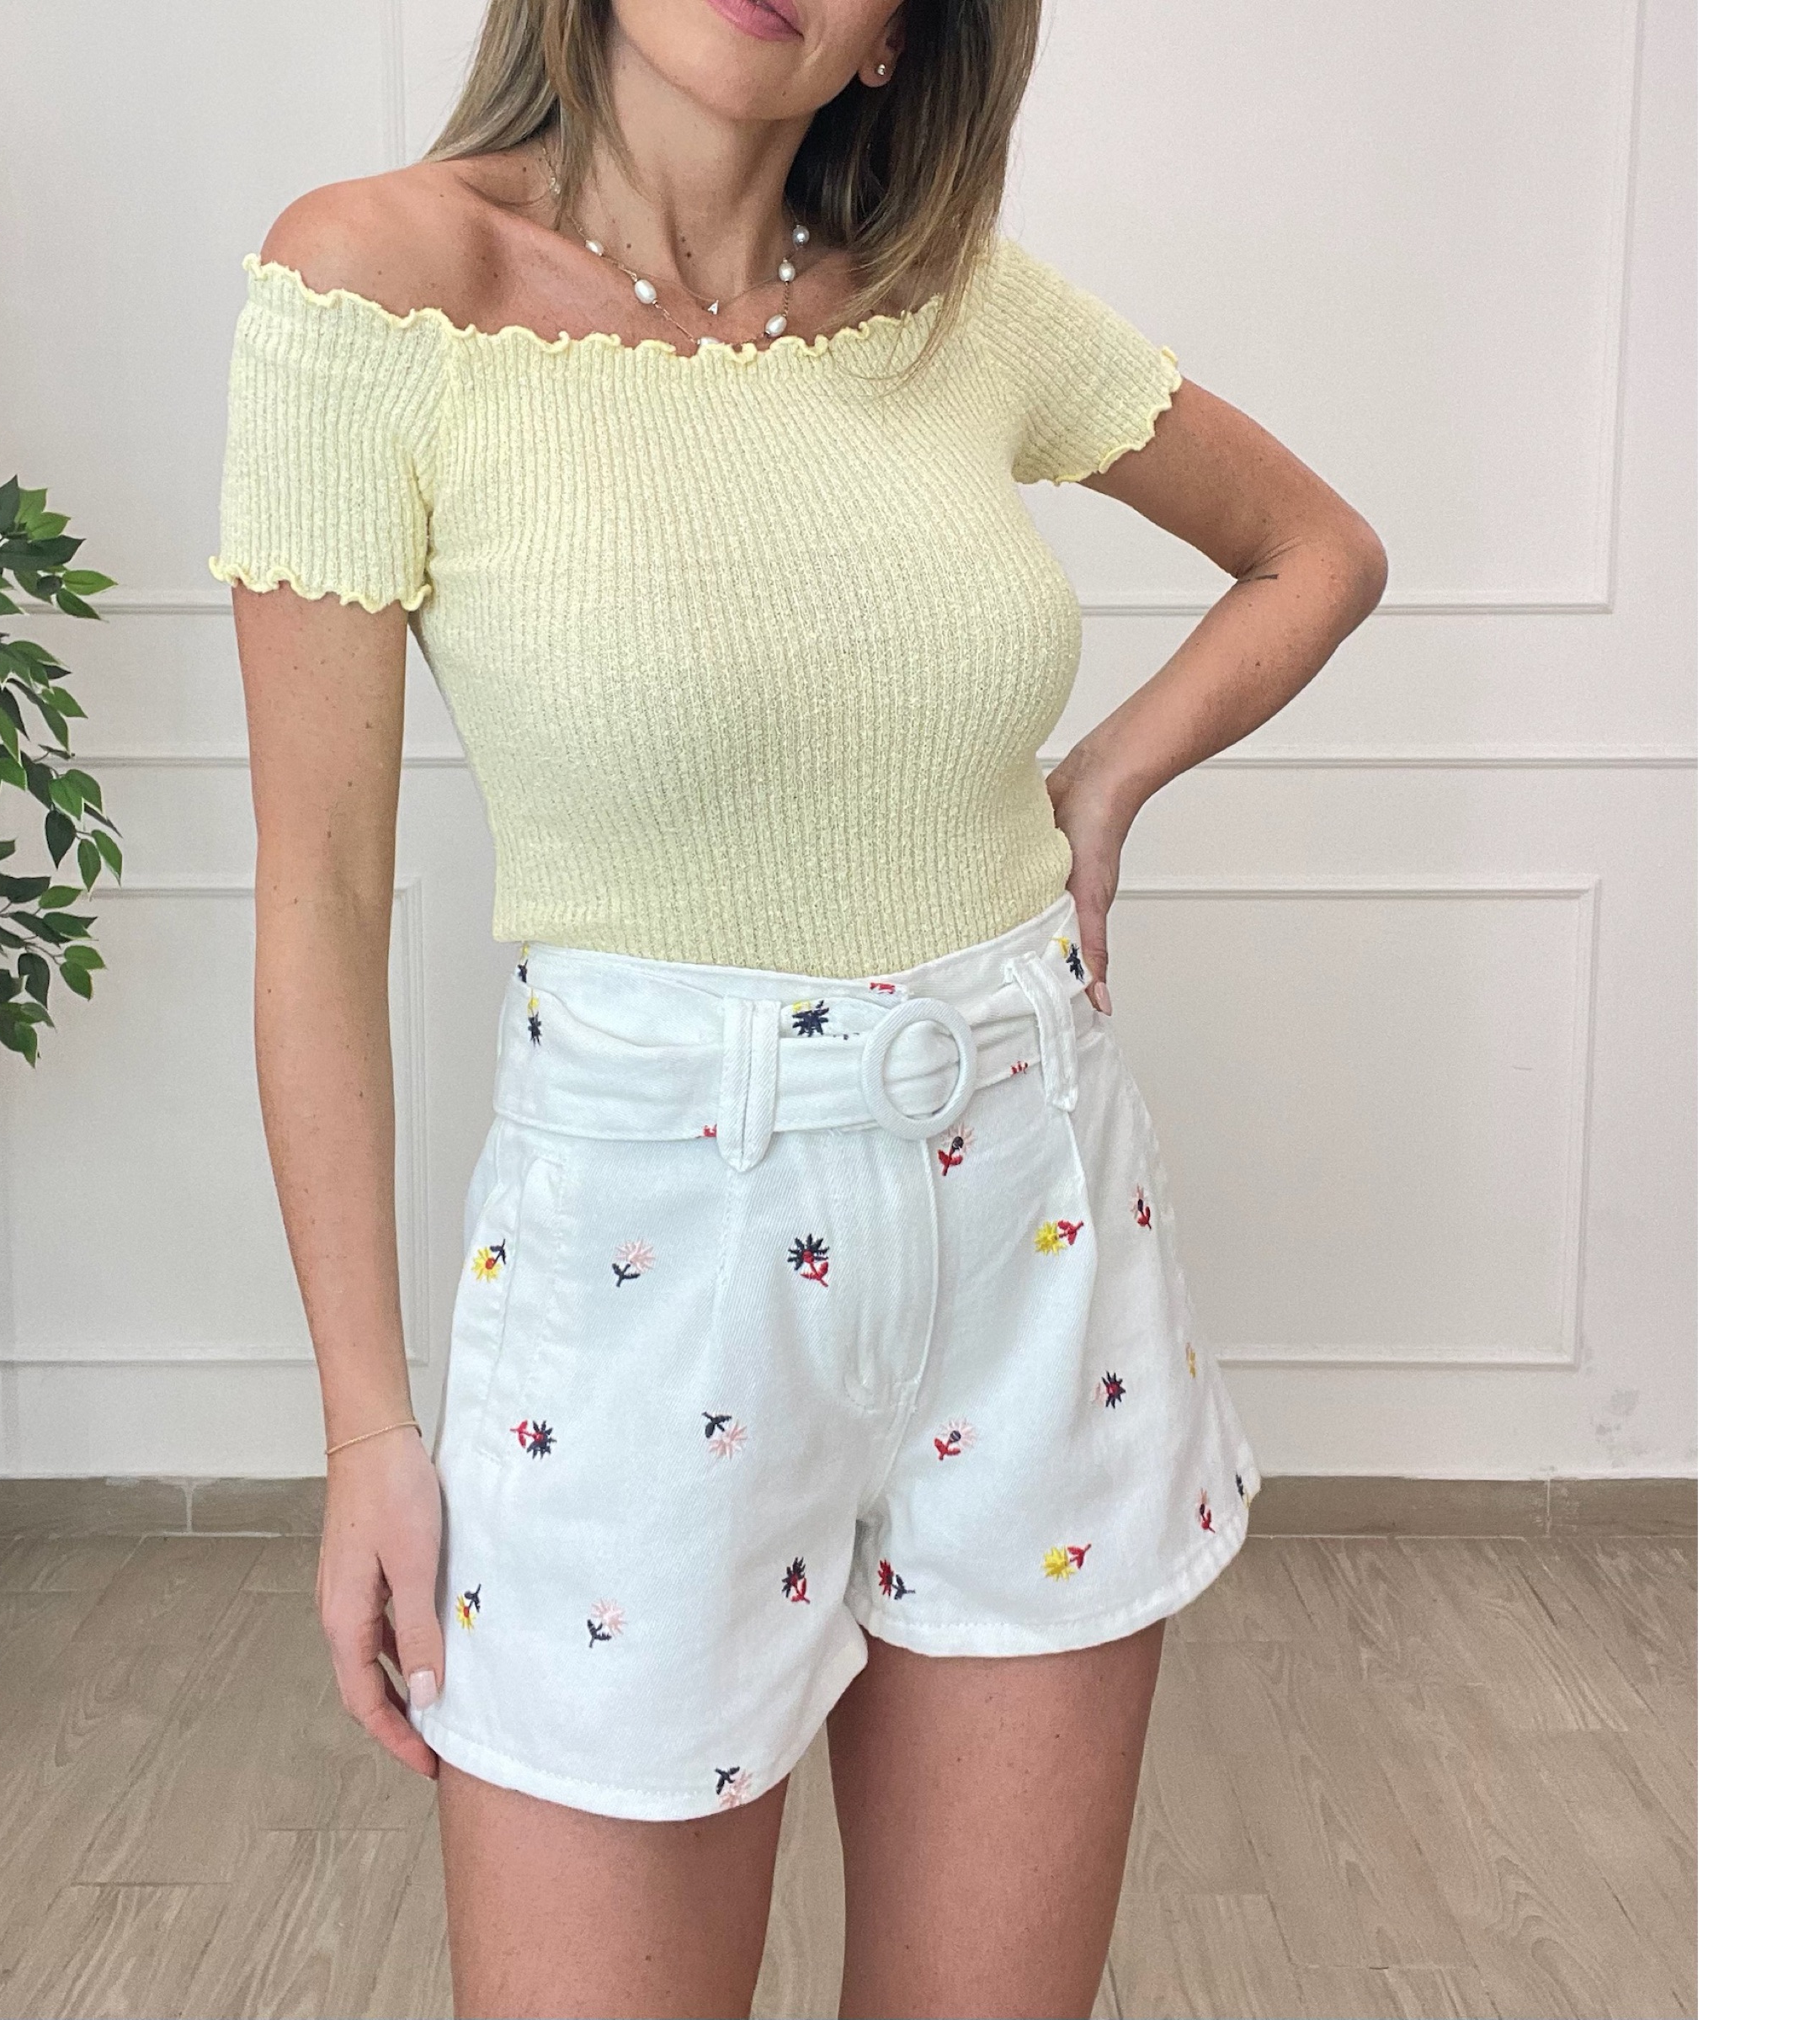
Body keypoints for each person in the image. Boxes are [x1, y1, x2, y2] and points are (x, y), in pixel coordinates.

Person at [214, 3, 1384, 2013]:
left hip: (1035, 1229)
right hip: (646, 1274)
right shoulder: (377, 290)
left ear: (901, 40)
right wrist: (367, 1428)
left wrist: (1103, 782)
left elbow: (1316, 551)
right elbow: (318, 899)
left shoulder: (955, 305)